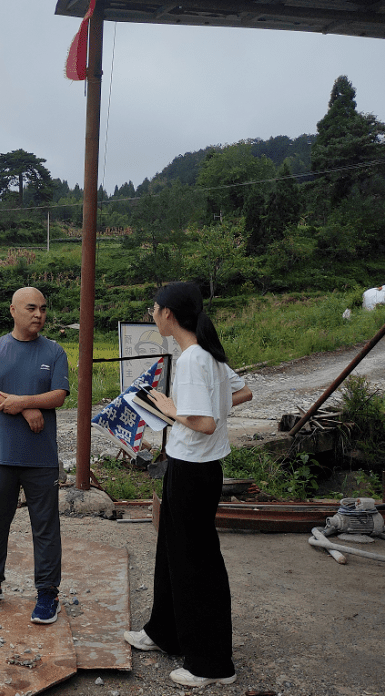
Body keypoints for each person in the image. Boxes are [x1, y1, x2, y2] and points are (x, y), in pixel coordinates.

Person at [124, 282, 253, 689]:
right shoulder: (204, 354)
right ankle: (166, 632)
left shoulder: (196, 358)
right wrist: (196, 409)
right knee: (172, 552)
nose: (152, 314)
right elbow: (243, 392)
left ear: (168, 314)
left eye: (154, 309)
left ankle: (213, 664)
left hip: (195, 470)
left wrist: (171, 409)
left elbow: (205, 422)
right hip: (190, 466)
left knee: (197, 564)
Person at [0, 286, 70, 624]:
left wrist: (22, 402)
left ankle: (47, 593)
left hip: (40, 458)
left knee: (45, 527)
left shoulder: (54, 351)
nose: (39, 314)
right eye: (31, 308)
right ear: (13, 310)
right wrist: (26, 409)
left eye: (43, 308)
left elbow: (58, 396)